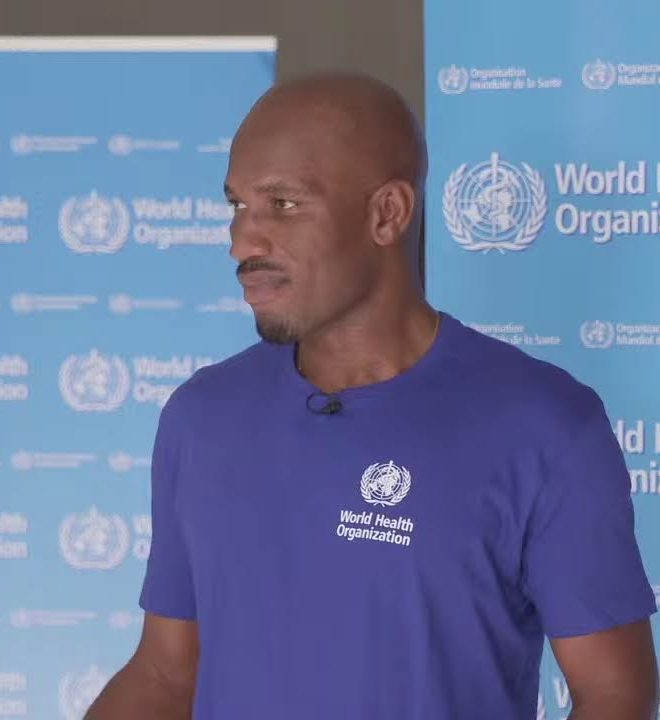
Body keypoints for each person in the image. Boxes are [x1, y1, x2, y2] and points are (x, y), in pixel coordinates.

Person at [86, 72, 658, 719]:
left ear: (387, 213)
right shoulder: (201, 417)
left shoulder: (545, 426)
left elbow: (615, 693)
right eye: (238, 205)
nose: (243, 239)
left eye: (283, 204)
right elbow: (166, 674)